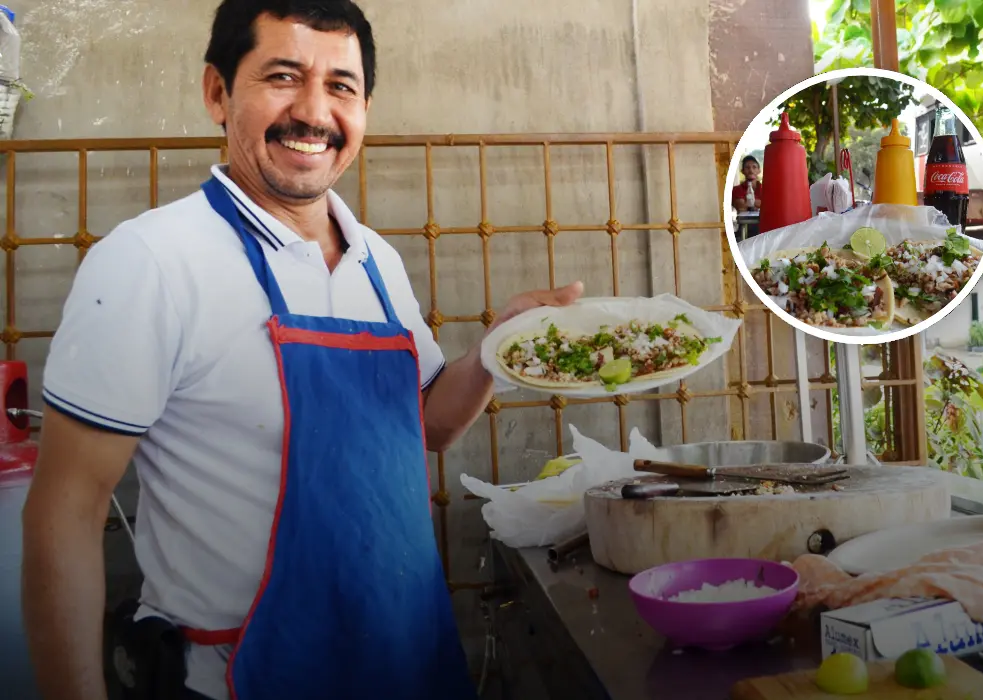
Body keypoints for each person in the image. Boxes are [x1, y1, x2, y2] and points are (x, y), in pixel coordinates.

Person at [20, 2, 582, 699]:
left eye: (341, 87)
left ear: (365, 107)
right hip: (243, 679)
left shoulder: (374, 257)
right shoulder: (151, 262)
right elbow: (65, 509)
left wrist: (498, 350)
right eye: (283, 76)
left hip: (408, 666)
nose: (314, 113)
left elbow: (431, 423)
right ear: (218, 94)